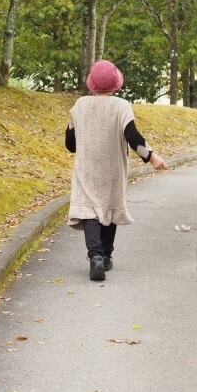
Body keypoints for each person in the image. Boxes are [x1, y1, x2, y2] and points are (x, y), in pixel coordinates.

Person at [65, 60, 167, 281]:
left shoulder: (80, 105)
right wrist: (152, 157)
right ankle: (107, 256)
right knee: (109, 208)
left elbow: (70, 143)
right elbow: (132, 137)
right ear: (116, 85)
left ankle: (96, 257)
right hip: (113, 167)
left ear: (91, 84)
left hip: (87, 167)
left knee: (90, 210)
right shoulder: (121, 106)